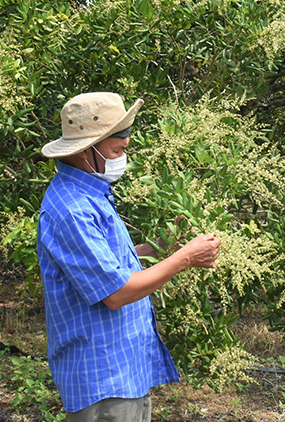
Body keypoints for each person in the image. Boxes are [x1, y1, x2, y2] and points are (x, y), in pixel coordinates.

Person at [38, 92, 221, 421]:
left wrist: (161, 249)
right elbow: (116, 292)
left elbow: (103, 265)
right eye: (117, 151)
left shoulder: (89, 194)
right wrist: (186, 259)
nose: (124, 156)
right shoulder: (72, 209)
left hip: (122, 371)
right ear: (85, 151)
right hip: (104, 379)